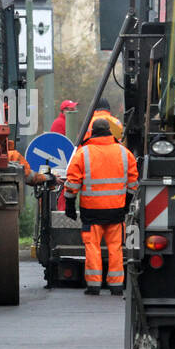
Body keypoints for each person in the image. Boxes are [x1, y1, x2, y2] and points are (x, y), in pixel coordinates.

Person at [64, 118, 138, 296]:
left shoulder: (83, 154)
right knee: (115, 247)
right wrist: (126, 204)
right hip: (116, 210)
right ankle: (116, 285)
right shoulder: (124, 153)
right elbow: (133, 182)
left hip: (91, 211)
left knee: (92, 247)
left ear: (92, 132)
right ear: (109, 131)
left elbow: (73, 183)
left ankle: (94, 285)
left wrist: (69, 205)